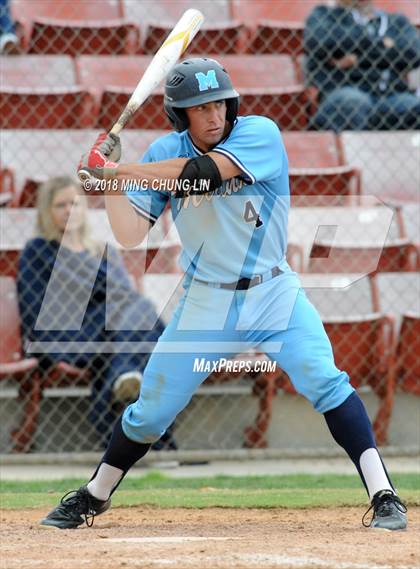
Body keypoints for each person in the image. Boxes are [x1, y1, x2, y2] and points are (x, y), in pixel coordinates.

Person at [40, 58, 407, 530]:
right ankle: (94, 495)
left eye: (219, 104)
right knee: (150, 411)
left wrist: (119, 170)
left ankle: (384, 495)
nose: (214, 116)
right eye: (200, 108)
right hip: (204, 300)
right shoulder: (159, 152)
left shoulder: (259, 134)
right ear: (179, 115)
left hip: (273, 291)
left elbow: (199, 175)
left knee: (323, 378)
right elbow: (131, 234)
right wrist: (110, 182)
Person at [17, 176, 169, 446]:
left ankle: (123, 380)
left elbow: (124, 297)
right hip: (66, 333)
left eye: (75, 203)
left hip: (114, 332)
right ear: (47, 211)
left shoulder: (102, 250)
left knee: (135, 314)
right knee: (140, 316)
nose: (69, 210)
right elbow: (32, 307)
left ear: (84, 208)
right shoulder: (38, 250)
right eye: (60, 205)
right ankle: (152, 438)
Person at [304, 0, 420, 131]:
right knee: (352, 103)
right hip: (344, 91)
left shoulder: (396, 21)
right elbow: (321, 41)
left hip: (391, 96)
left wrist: (357, 58)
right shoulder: (324, 14)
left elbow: (413, 53)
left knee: (414, 106)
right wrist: (382, 44)